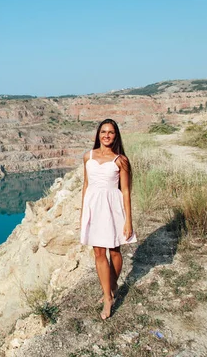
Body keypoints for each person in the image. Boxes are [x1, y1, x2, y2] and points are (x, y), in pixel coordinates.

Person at [80, 118, 137, 320]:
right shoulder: (88, 156)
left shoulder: (121, 160)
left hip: (113, 207)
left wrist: (128, 220)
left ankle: (111, 285)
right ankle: (107, 297)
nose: (106, 135)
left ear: (116, 135)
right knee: (98, 253)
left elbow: (126, 191)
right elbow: (86, 186)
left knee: (114, 251)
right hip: (93, 207)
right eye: (103, 131)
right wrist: (83, 214)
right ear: (98, 134)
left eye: (111, 132)